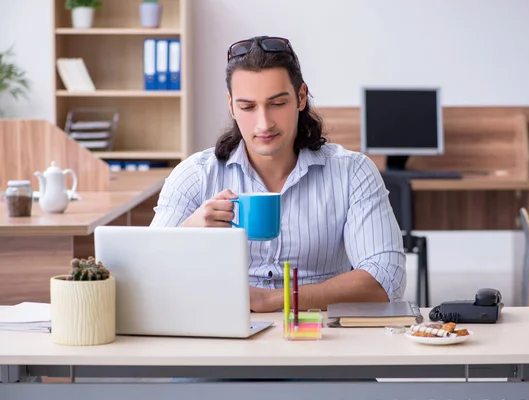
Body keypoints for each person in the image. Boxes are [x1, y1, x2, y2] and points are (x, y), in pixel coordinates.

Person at [150, 35, 407, 312]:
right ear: (231, 106)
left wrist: (277, 300)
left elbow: (386, 279)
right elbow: (148, 274)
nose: (264, 123)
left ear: (300, 97)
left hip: (319, 334)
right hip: (222, 334)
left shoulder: (353, 172)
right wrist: (186, 234)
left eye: (277, 103)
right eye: (248, 107)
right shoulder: (194, 175)